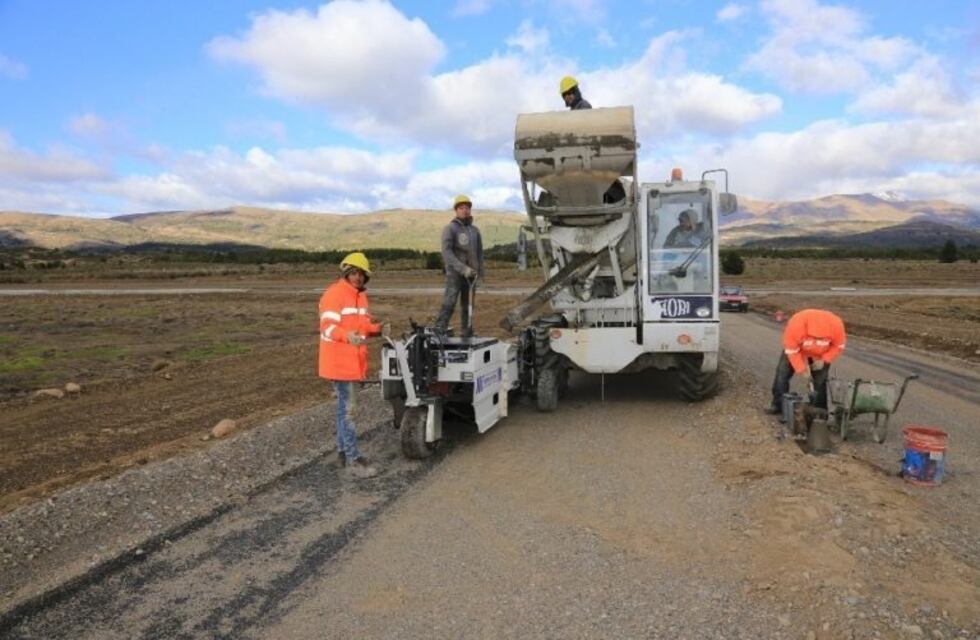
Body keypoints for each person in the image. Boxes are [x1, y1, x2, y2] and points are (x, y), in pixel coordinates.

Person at [318, 252, 387, 478]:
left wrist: (378, 329)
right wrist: (347, 336)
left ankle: (341, 453)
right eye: (354, 273)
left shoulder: (360, 297)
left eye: (362, 274)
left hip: (353, 363)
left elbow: (364, 325)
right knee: (348, 412)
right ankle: (353, 459)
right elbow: (327, 327)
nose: (358, 277)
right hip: (339, 363)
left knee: (342, 410)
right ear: (346, 273)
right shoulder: (334, 294)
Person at [766, 309, 847, 414]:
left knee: (820, 381)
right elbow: (791, 350)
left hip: (820, 354)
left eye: (821, 339)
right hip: (797, 350)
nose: (817, 340)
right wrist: (801, 369)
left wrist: (825, 359)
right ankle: (778, 404)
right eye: (814, 338)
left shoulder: (836, 325)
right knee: (782, 374)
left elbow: (838, 346)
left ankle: (820, 411)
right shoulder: (796, 324)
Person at [435, 194, 484, 337]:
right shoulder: (450, 228)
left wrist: (480, 274)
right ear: (456, 210)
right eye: (462, 208)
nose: (465, 210)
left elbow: (479, 254)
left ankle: (466, 332)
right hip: (455, 275)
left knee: (468, 306)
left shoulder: (475, 231)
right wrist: (463, 269)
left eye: (467, 208)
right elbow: (447, 253)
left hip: (471, 276)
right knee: (449, 303)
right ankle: (439, 330)